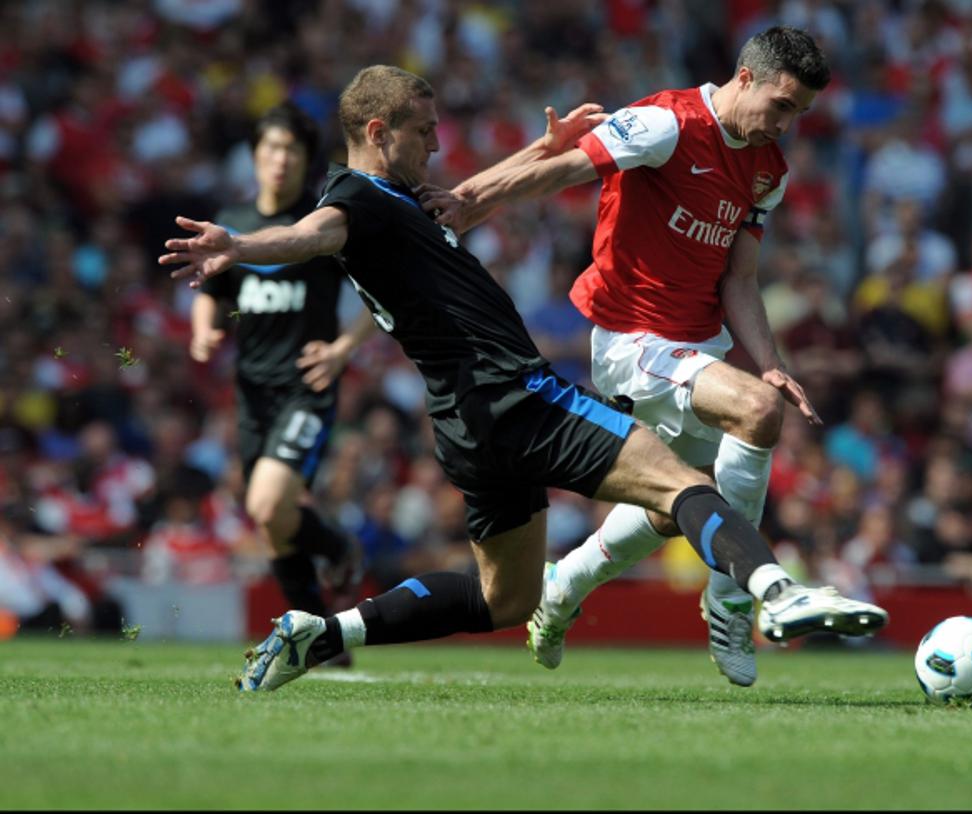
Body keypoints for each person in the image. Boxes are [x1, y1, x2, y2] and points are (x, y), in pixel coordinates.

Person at [158, 64, 888, 693]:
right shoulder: (352, 200)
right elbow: (313, 236)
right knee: (686, 485)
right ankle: (773, 593)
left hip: (465, 421)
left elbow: (469, 197)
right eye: (424, 131)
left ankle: (320, 634)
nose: (439, 143)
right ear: (378, 133)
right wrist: (242, 245)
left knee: (505, 598)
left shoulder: (403, 203)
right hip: (518, 394)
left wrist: (545, 143)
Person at [422, 26, 833, 687]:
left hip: (702, 343)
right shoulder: (664, 123)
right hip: (631, 340)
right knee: (758, 413)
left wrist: (770, 359)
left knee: (681, 505)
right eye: (781, 107)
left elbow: (741, 279)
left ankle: (562, 589)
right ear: (746, 78)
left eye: (800, 115)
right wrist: (471, 203)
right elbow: (564, 170)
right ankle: (732, 603)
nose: (784, 126)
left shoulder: (767, 171)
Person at [192, 103, 375, 656]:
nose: (279, 160)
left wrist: (344, 348)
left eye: (291, 150)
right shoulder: (232, 221)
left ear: (305, 161)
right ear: (253, 156)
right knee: (273, 523)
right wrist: (202, 332)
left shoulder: (318, 223)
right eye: (270, 148)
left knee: (268, 507)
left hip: (306, 386)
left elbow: (380, 291)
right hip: (251, 391)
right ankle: (321, 642)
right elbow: (211, 292)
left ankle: (341, 550)